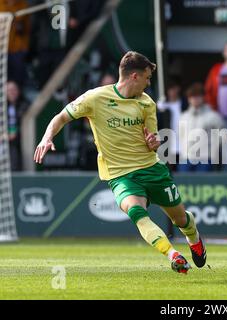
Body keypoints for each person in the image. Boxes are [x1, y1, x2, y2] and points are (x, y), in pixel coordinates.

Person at [33, 51, 206, 274]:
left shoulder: (146, 103)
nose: (149, 82)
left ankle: (194, 238)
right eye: (147, 77)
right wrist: (47, 137)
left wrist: (154, 142)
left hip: (151, 169)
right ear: (134, 76)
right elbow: (61, 117)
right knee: (136, 213)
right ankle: (173, 255)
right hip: (120, 175)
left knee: (181, 219)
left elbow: (153, 142)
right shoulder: (95, 98)